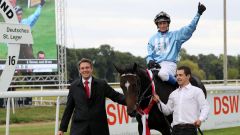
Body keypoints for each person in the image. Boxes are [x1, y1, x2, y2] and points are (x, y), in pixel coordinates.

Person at [58, 58, 126, 135]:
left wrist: (132, 102)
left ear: (91, 69)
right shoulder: (73, 86)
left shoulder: (102, 84)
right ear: (79, 70)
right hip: (79, 129)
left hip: (99, 129)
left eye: (87, 67)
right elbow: (69, 109)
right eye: (82, 68)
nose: (85, 70)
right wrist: (62, 129)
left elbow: (116, 96)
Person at [146, 2, 206, 85]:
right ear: (157, 25)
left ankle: (179, 86)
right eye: (160, 23)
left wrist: (198, 14)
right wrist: (150, 60)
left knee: (162, 74)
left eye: (164, 23)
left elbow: (190, 28)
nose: (162, 25)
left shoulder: (176, 35)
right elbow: (149, 54)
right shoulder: (152, 39)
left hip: (169, 64)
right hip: (155, 66)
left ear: (168, 24)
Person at [152, 66, 210, 135]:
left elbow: (205, 107)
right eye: (176, 75)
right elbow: (167, 111)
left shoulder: (197, 91)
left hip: (190, 129)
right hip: (175, 130)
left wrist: (200, 119)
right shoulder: (173, 94)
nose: (178, 77)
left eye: (180, 75)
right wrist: (159, 102)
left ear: (188, 76)